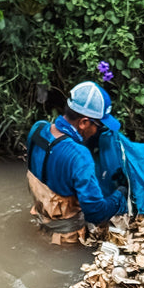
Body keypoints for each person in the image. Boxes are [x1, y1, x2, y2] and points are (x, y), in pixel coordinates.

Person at [26, 81, 128, 244]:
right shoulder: (79, 156)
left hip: (39, 222)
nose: (99, 131)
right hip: (66, 240)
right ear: (84, 122)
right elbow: (96, 213)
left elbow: (54, 160)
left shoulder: (37, 129)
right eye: (99, 125)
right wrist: (120, 195)